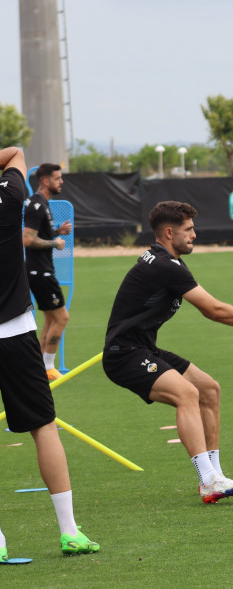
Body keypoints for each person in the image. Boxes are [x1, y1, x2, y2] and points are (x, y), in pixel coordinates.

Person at [102, 201, 233, 504]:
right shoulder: (164, 266)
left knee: (209, 389)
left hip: (143, 347)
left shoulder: (167, 261)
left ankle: (216, 476)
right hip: (123, 354)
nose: (194, 235)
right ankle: (209, 480)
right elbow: (213, 309)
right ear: (169, 232)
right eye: (188, 230)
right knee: (187, 394)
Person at [0, 147, 99, 559]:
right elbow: (16, 152)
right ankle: (70, 531)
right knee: (44, 425)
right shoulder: (9, 195)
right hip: (15, 332)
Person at [23, 163, 72, 380]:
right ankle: (49, 367)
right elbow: (27, 239)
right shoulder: (36, 205)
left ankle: (41, 367)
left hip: (40, 270)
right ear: (45, 181)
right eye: (58, 178)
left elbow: (38, 232)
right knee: (62, 317)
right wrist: (55, 243)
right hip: (40, 272)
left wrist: (56, 231)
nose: (61, 181)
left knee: (52, 319)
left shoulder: (43, 204)